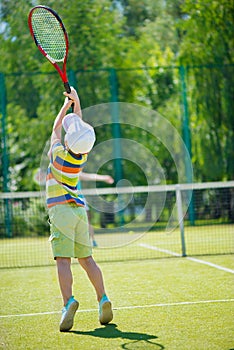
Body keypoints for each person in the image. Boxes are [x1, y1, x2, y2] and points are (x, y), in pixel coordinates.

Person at [46, 87, 113, 332]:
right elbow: (79, 130)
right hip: (79, 212)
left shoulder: (57, 155)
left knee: (63, 261)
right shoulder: (81, 156)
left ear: (67, 140)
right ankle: (103, 298)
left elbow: (55, 129)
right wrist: (77, 101)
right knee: (87, 259)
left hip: (60, 211)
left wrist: (66, 106)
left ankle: (68, 302)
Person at [78, 172, 114, 247]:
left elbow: (90, 176)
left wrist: (104, 177)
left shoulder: (75, 172)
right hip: (69, 202)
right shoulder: (64, 172)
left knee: (87, 222)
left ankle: (93, 241)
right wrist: (104, 177)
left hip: (80, 200)